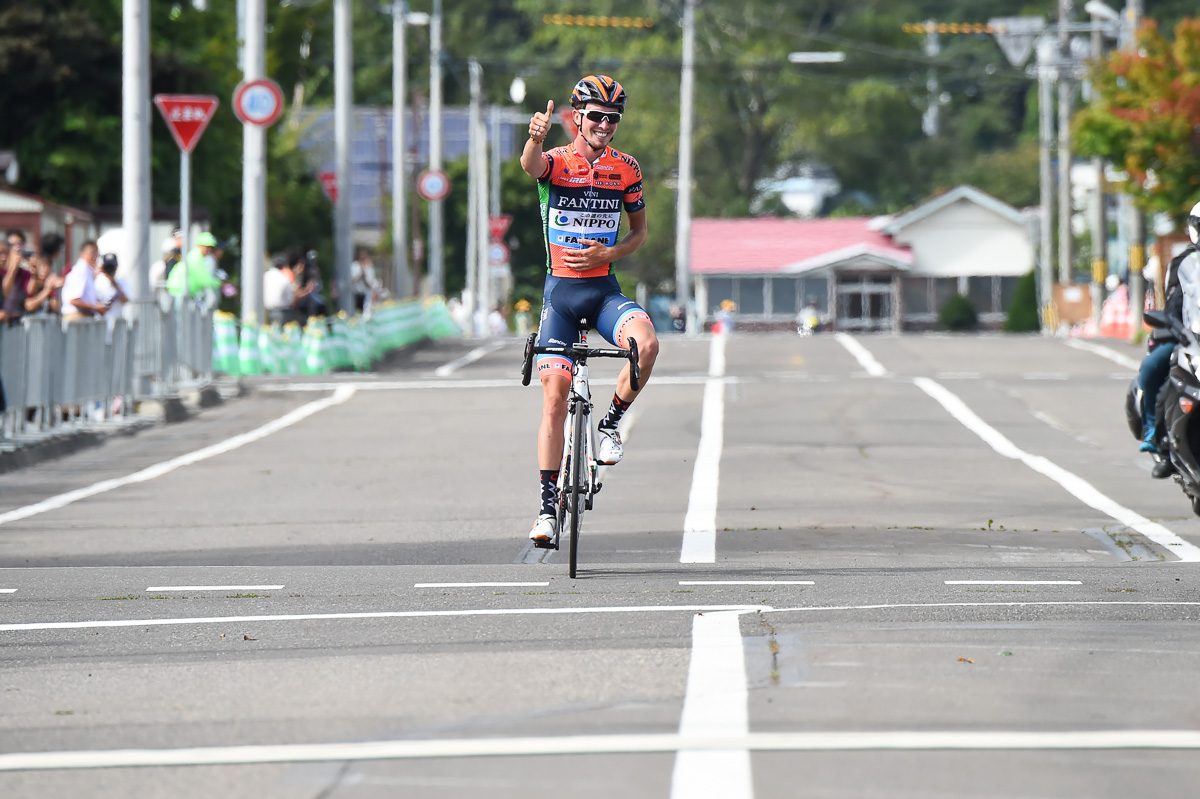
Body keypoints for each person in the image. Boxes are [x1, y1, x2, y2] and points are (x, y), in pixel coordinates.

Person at [519, 74, 659, 545]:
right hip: (560, 295)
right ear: (576, 117)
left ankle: (610, 423)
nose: (605, 125)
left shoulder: (627, 169)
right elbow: (530, 164)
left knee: (648, 342)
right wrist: (534, 139)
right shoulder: (557, 162)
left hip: (603, 291)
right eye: (596, 116)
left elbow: (638, 234)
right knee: (555, 399)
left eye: (612, 119)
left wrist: (608, 254)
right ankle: (545, 509)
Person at [1138, 201, 1200, 477]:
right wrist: (1176, 327)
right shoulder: (1184, 262)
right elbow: (1175, 303)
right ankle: (1157, 435)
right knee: (1153, 368)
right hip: (1191, 336)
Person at [167, 231, 223, 301]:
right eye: (206, 247)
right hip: (180, 292)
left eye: (211, 248)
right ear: (199, 245)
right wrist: (220, 283)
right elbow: (203, 279)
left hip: (183, 292)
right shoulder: (195, 258)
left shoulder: (196, 256)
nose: (209, 251)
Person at [61, 240, 105, 321]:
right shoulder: (81, 271)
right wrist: (96, 307)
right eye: (92, 253)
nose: (95, 257)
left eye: (96, 254)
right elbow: (73, 300)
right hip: (77, 317)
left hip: (82, 317)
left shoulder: (87, 271)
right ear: (82, 254)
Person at [94, 253, 130, 337]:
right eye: (108, 266)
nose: (110, 269)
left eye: (112, 266)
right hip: (101, 325)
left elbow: (125, 300)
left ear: (116, 266)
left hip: (117, 324)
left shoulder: (121, 280)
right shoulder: (98, 281)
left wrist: (113, 282)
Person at [263, 253, 296, 325]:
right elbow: (290, 297)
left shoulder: (266, 276)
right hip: (283, 311)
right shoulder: (284, 277)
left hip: (268, 311)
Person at [350, 247, 382, 313]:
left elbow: (370, 284)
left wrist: (364, 277)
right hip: (355, 293)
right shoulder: (354, 266)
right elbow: (352, 281)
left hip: (365, 294)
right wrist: (360, 275)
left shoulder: (369, 268)